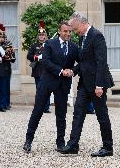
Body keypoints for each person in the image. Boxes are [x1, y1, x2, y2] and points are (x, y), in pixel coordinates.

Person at [58, 12, 114, 157]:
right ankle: (73, 145)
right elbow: (84, 62)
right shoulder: (83, 37)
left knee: (102, 115)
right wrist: (73, 71)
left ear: (82, 23)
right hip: (84, 83)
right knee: (78, 113)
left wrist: (100, 85)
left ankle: (108, 147)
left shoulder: (96, 35)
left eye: (75, 29)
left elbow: (101, 61)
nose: (75, 32)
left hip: (97, 83)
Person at [23, 21, 79, 153]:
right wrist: (61, 71)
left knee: (61, 115)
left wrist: (73, 71)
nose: (68, 34)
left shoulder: (74, 47)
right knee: (37, 111)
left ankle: (60, 143)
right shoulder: (49, 43)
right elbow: (46, 61)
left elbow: (81, 63)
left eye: (70, 31)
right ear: (59, 31)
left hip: (63, 85)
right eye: (65, 31)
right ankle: (28, 140)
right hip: (47, 82)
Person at [27, 21, 51, 113]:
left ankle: (46, 107)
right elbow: (29, 56)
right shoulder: (34, 46)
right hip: (37, 70)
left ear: (45, 36)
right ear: (38, 36)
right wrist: (36, 57)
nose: (41, 36)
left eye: (43, 35)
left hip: (46, 71)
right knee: (39, 90)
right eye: (40, 35)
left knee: (47, 90)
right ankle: (39, 107)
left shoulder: (49, 45)